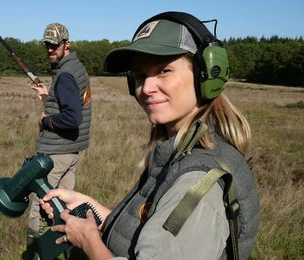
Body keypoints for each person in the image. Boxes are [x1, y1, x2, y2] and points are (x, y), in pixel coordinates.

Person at [39, 11, 260, 259]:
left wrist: (88, 240)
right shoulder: (177, 152)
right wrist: (91, 209)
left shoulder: (197, 182)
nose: (146, 88)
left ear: (206, 74)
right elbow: (149, 233)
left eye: (164, 70)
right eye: (140, 76)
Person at [23, 23, 92, 260]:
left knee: (40, 210)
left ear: (66, 44)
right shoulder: (75, 68)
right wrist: (47, 98)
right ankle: (67, 252)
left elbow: (72, 117)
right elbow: (68, 105)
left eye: (54, 45)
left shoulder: (65, 75)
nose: (50, 49)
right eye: (47, 45)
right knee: (64, 211)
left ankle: (36, 254)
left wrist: (45, 122)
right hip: (69, 152)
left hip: (56, 155)